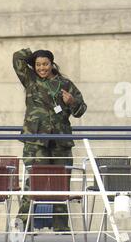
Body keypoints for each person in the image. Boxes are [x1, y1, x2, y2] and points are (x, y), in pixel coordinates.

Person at [13, 48, 87, 232]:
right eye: (38, 64)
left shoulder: (65, 83)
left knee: (61, 183)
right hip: (36, 140)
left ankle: (61, 226)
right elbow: (17, 58)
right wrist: (30, 53)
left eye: (45, 64)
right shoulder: (30, 80)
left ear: (52, 64)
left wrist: (71, 102)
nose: (41, 68)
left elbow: (81, 110)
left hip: (60, 140)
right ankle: (23, 224)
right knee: (33, 181)